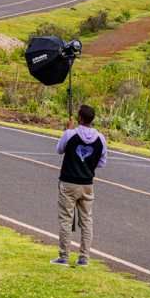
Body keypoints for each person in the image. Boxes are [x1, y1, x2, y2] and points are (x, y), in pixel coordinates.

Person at [50, 104, 107, 268]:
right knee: (86, 221)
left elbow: (59, 150)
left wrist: (68, 130)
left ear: (80, 119)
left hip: (68, 182)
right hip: (87, 184)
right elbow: (102, 163)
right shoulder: (100, 138)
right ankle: (83, 258)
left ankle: (63, 257)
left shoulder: (70, 134)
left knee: (66, 220)